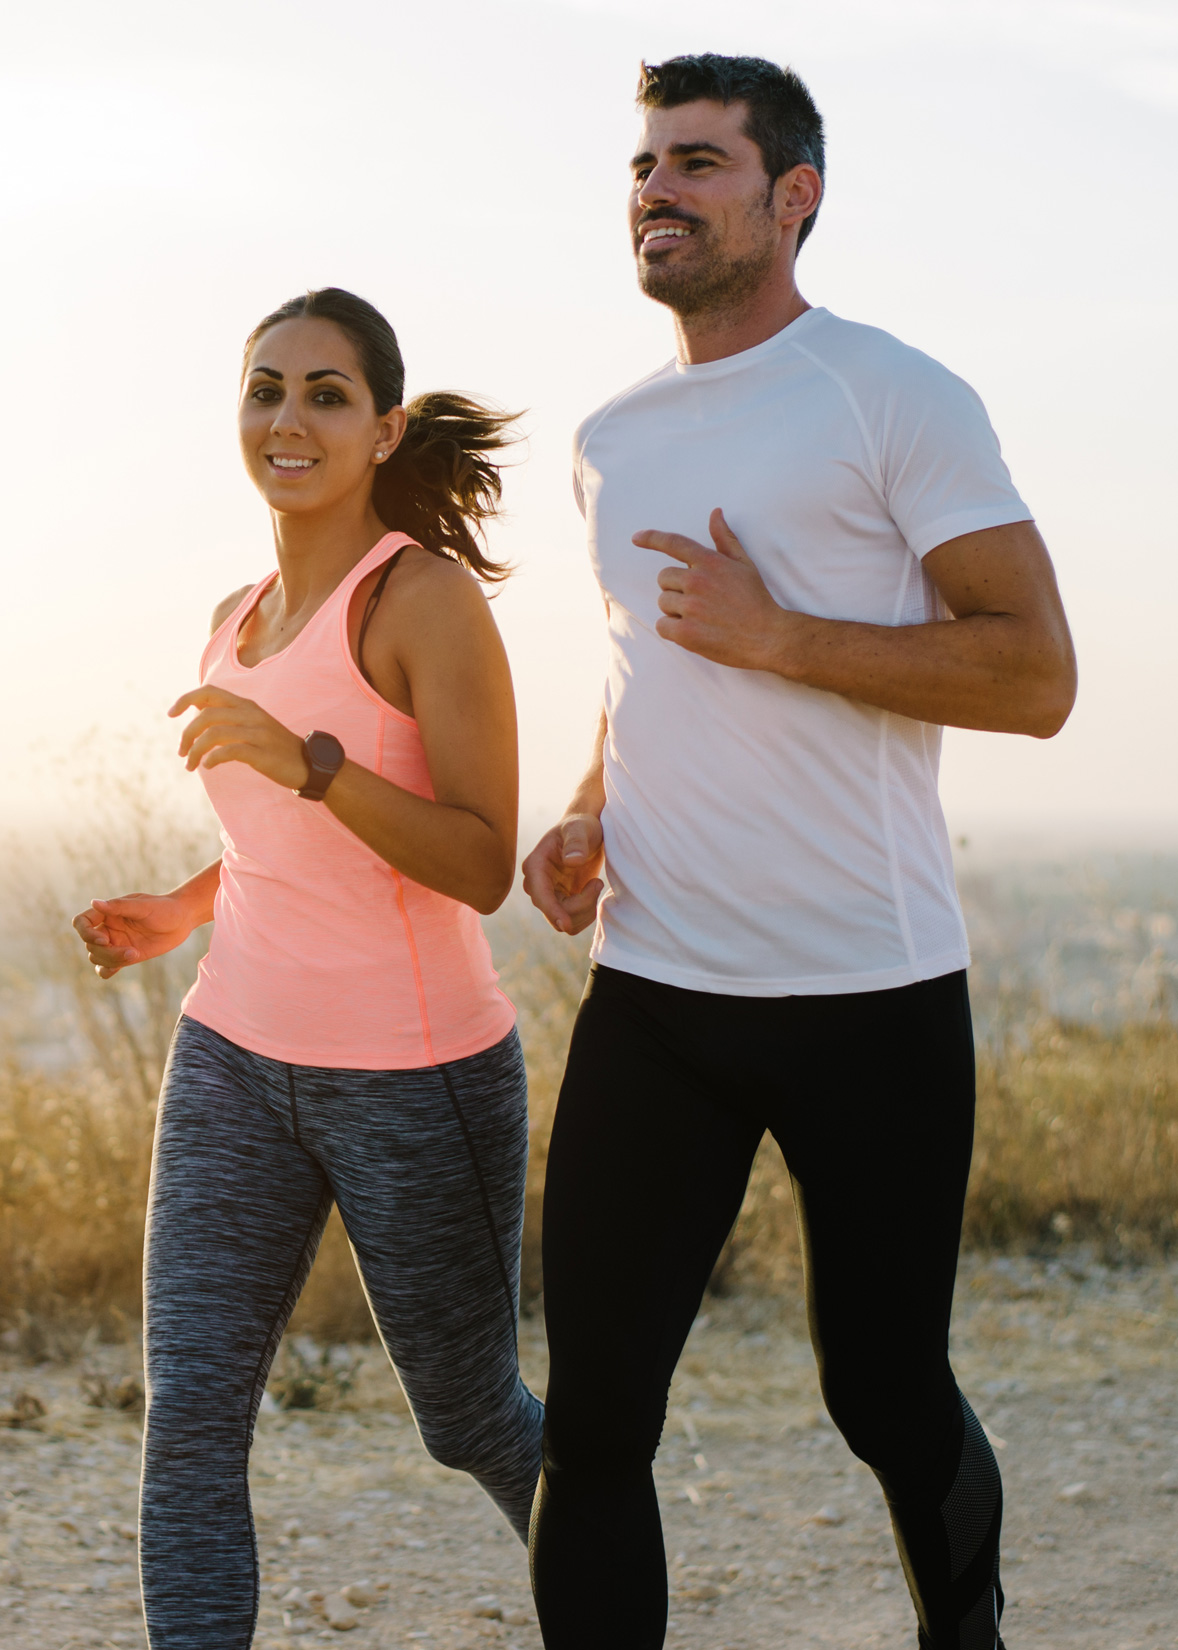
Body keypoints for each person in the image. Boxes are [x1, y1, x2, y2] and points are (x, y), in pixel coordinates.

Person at [522, 53, 1075, 1650]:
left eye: (695, 163)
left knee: (885, 1394)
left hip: (870, 998)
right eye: (643, 166)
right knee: (597, 1414)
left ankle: (961, 1630)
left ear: (792, 197)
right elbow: (645, 665)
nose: (655, 191)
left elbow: (1033, 674)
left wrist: (784, 636)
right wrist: (588, 809)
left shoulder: (889, 393)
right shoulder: (611, 435)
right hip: (659, 993)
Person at [73, 287, 543, 1650]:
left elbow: (477, 860)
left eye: (325, 393)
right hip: (232, 1055)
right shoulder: (236, 616)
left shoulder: (423, 599)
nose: (289, 417)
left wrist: (311, 762)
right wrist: (182, 906)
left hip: (416, 1076)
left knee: (467, 1416)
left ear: (383, 427)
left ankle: (607, 1583)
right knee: (192, 1423)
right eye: (266, 388)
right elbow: (279, 842)